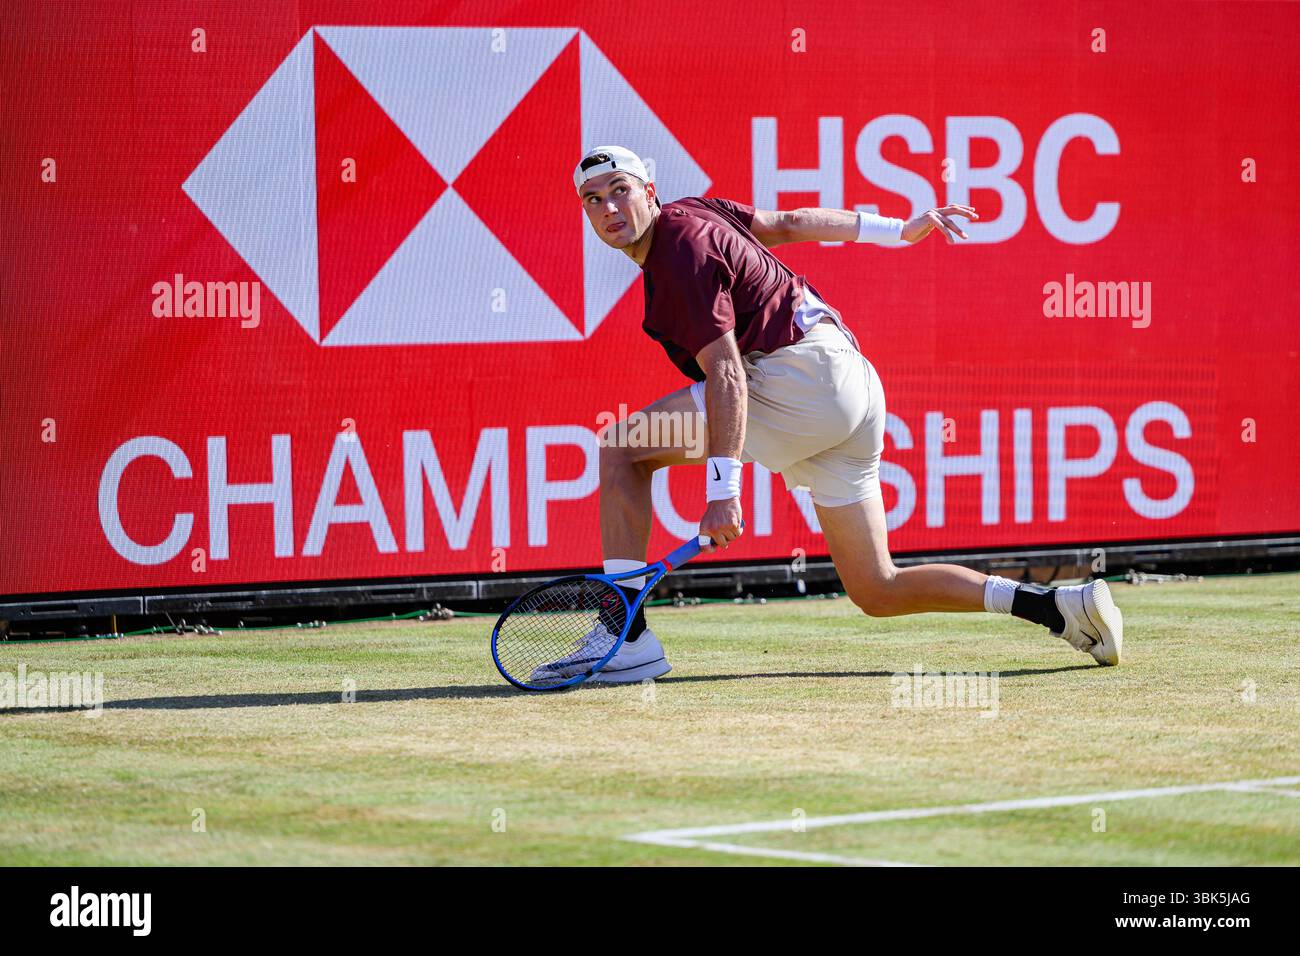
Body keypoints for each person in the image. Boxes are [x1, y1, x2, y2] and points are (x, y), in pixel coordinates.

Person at [550, 144, 1121, 683]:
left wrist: (724, 489)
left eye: (619, 189)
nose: (609, 208)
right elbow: (792, 223)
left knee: (622, 449)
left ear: (648, 190)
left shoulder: (678, 252)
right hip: (852, 382)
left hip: (804, 382)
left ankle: (623, 633)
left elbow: (726, 375)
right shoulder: (696, 211)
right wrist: (898, 230)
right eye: (593, 200)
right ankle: (1059, 608)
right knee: (877, 588)